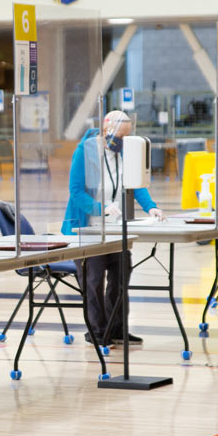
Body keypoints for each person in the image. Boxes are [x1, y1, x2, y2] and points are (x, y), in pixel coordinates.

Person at [62, 110, 165, 348]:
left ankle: (116, 329)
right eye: (119, 135)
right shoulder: (86, 151)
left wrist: (151, 208)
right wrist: (101, 208)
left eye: (126, 136)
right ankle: (97, 332)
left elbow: (136, 184)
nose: (121, 141)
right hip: (87, 230)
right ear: (106, 128)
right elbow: (76, 192)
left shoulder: (124, 153)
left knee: (120, 278)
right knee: (94, 279)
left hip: (116, 230)